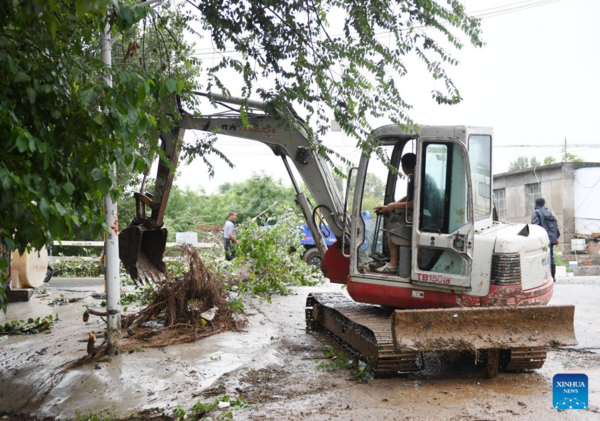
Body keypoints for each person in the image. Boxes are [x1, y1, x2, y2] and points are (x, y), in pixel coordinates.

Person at [374, 153, 416, 274]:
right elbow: (409, 197)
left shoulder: (414, 179)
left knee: (393, 233)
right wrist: (390, 206)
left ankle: (393, 265)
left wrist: (394, 206)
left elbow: (414, 203)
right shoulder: (417, 177)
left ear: (403, 167)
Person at [531, 198, 560, 282]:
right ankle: (553, 277)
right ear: (544, 203)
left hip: (541, 239)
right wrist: (555, 238)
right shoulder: (550, 213)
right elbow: (555, 225)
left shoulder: (535, 212)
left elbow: (535, 226)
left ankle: (543, 277)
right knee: (551, 256)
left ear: (535, 203)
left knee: (540, 256)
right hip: (550, 239)